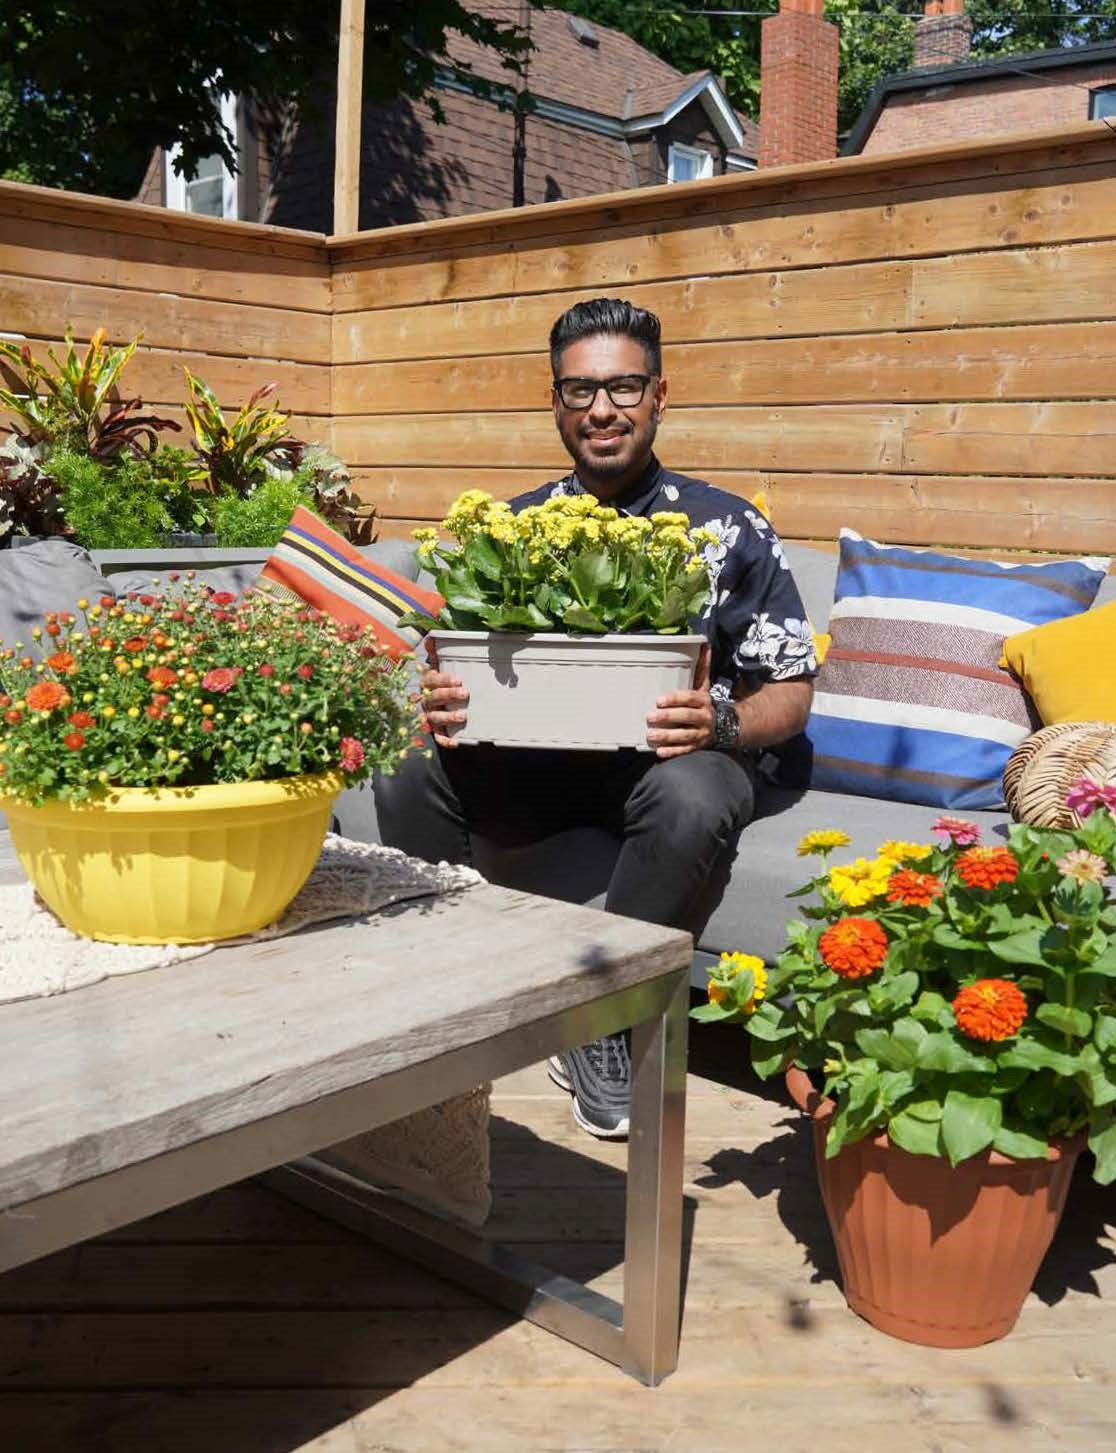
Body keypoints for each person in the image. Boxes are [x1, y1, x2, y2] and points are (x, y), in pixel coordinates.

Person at [374, 298, 816, 1139]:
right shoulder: (510, 531)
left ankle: (598, 1021)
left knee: (696, 795)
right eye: (579, 391)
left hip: (663, 763)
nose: (601, 409)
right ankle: (450, 981)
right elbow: (461, 658)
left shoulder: (725, 527)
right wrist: (447, 695)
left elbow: (791, 689)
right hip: (537, 765)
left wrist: (717, 724)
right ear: (555, 404)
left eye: (622, 386)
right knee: (403, 760)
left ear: (658, 396)